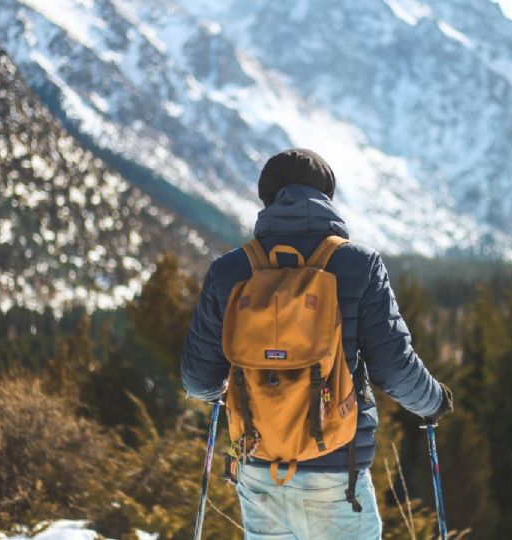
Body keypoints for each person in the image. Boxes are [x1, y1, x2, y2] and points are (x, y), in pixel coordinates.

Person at [180, 148, 454, 539]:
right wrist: (433, 402)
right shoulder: (359, 265)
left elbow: (198, 380)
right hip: (336, 470)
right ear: (326, 197)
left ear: (267, 198)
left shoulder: (230, 271)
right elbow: (393, 367)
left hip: (260, 468)